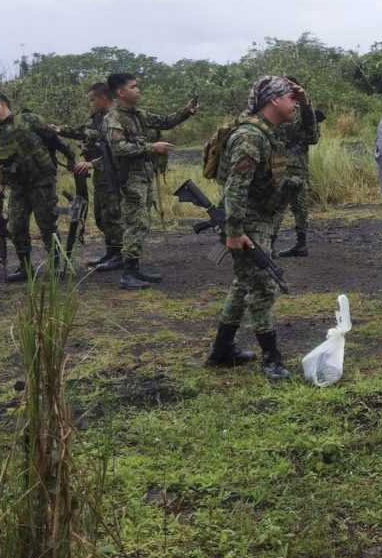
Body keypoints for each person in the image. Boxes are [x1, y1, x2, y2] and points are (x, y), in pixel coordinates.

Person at [206, 75, 307, 380]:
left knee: (243, 283)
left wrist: (305, 101)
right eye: (289, 98)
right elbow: (236, 187)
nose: (294, 105)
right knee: (262, 286)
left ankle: (222, 350)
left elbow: (309, 132)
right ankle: (271, 358)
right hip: (246, 219)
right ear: (273, 100)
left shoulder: (270, 131)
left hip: (258, 217)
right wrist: (235, 231)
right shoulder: (251, 137)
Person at [103, 72, 197, 290]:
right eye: (133, 87)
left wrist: (187, 111)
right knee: (136, 224)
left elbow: (165, 122)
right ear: (121, 92)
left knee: (142, 223)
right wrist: (151, 148)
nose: (138, 90)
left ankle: (134, 269)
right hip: (129, 179)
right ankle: (127, 274)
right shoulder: (114, 118)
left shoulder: (138, 114)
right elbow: (118, 148)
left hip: (142, 177)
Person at [0, 94, 77, 280]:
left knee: (47, 224)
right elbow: (4, 160)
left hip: (41, 182)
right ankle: (25, 268)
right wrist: (1, 184)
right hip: (18, 186)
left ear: (2, 104)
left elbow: (53, 138)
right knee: (17, 226)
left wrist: (70, 156)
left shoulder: (28, 119)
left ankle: (56, 265)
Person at [52, 82, 124, 272]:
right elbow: (86, 132)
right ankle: (111, 252)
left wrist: (92, 164)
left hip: (114, 175)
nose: (91, 104)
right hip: (101, 175)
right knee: (101, 215)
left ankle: (120, 255)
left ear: (103, 98)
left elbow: (116, 152)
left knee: (113, 214)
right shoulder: (98, 118)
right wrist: (61, 130)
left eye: (92, 100)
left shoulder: (117, 118)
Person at [272, 76, 319, 257]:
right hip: (295, 165)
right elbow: (313, 137)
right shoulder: (302, 111)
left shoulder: (287, 110)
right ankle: (300, 243)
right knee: (297, 206)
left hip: (285, 165)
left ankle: (273, 243)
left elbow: (313, 137)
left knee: (280, 206)